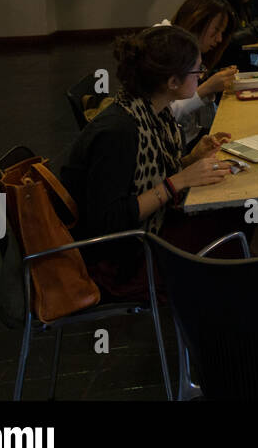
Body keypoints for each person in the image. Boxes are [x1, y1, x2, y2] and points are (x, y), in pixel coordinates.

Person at [59, 26, 246, 300]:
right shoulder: (118, 133)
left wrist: (191, 160)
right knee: (236, 224)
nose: (201, 75)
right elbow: (110, 220)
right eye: (197, 70)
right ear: (171, 82)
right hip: (120, 261)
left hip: (147, 233)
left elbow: (144, 177)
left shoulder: (147, 110)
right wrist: (179, 180)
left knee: (237, 213)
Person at [168, 0, 238, 149]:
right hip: (178, 148)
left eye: (222, 33)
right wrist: (207, 88)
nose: (219, 39)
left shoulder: (188, 50)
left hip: (190, 140)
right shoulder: (165, 50)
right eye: (216, 30)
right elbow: (163, 115)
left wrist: (214, 83)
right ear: (196, 21)